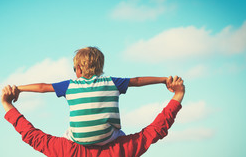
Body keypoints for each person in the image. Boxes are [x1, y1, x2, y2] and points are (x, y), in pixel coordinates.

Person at [2, 76, 185, 157]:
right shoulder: (121, 150)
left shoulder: (66, 152)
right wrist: (178, 94)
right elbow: (155, 130)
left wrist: (7, 104)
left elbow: (31, 135)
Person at [12, 46, 173, 145]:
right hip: (109, 137)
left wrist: (19, 88)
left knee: (66, 136)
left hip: (79, 140)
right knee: (122, 135)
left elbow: (42, 87)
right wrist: (164, 80)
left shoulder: (70, 85)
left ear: (78, 69)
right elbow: (137, 81)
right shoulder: (112, 82)